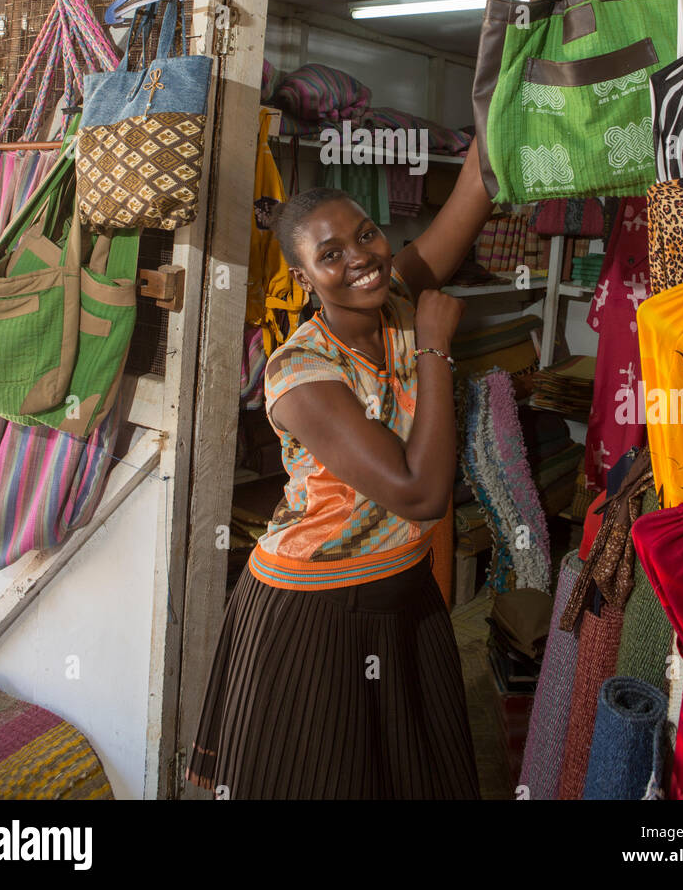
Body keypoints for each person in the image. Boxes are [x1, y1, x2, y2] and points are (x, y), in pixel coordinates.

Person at [186, 133, 497, 799]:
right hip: (314, 606)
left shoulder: (394, 302)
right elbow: (420, 495)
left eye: (367, 235)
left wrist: (498, 106)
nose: (361, 259)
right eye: (331, 255)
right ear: (303, 279)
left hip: (405, 589)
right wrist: (436, 350)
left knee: (409, 775)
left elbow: (474, 191)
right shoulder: (302, 373)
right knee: (322, 779)